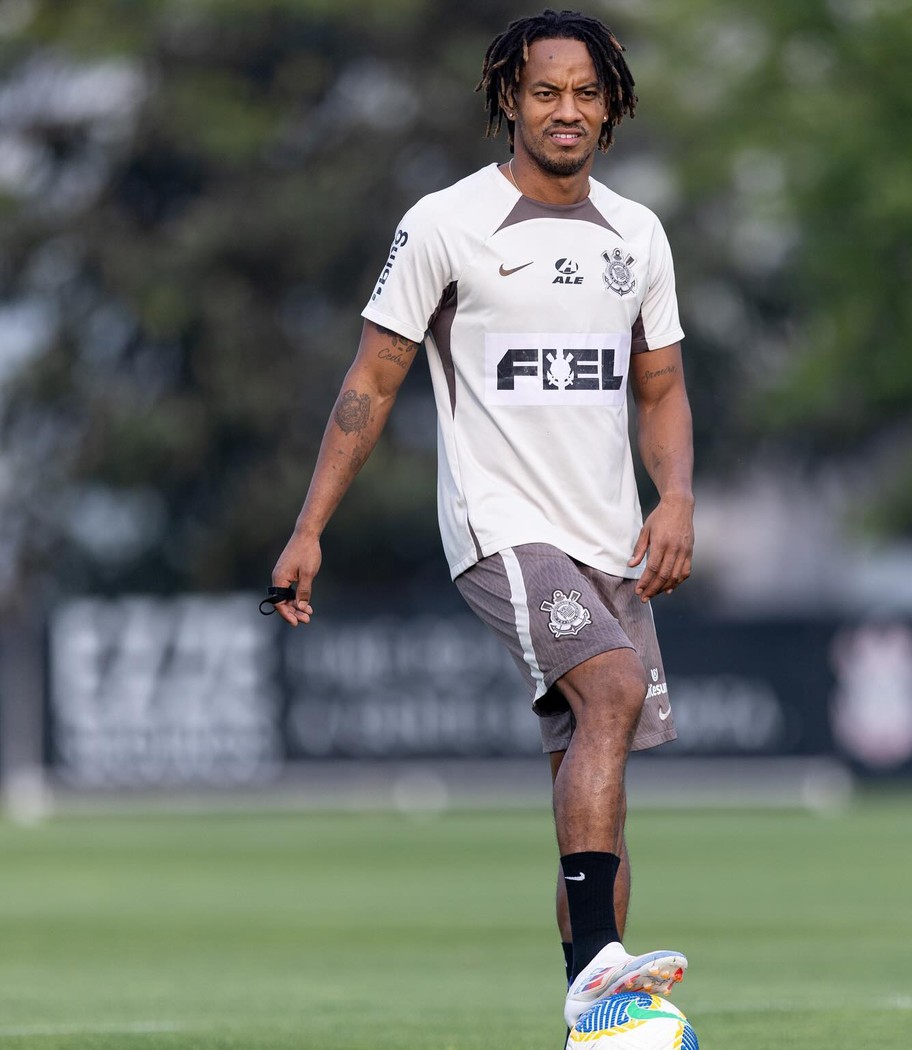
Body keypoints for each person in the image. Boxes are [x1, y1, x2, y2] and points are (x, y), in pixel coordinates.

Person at [270, 8, 694, 1030]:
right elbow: (370, 382)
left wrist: (675, 496)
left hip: (611, 541)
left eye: (586, 93)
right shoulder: (446, 224)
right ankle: (600, 961)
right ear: (510, 97)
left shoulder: (637, 234)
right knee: (613, 690)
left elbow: (663, 387)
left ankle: (598, 1013)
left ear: (611, 104)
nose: (568, 110)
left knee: (594, 773)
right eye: (547, 90)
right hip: (501, 529)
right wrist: (309, 526)